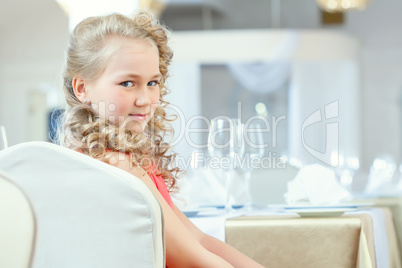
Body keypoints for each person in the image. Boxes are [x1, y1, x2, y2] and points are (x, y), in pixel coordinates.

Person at [59, 10, 264, 268]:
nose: (145, 99)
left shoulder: (127, 159)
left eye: (153, 82)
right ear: (82, 89)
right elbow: (190, 259)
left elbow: (198, 239)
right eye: (127, 83)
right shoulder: (115, 165)